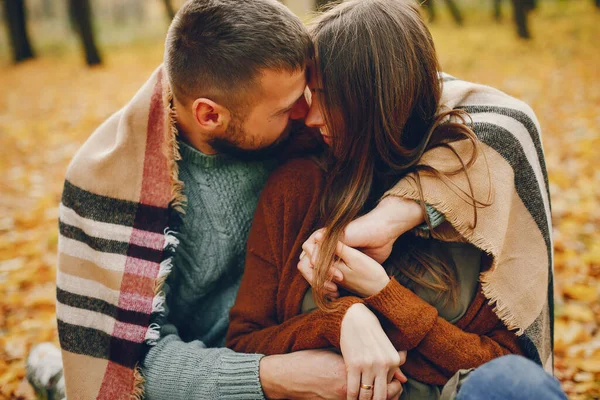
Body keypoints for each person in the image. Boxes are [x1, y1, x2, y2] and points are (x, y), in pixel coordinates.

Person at [53, 0, 419, 399]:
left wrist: (396, 214)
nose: (308, 114)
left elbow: (476, 115)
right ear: (210, 115)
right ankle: (52, 377)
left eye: (308, 92)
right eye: (286, 108)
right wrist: (275, 377)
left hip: (309, 333)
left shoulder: (294, 109)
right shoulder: (109, 184)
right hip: (216, 376)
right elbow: (126, 368)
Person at [226, 1, 563, 399]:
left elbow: (505, 366)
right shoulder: (297, 185)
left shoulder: (474, 188)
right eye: (308, 95)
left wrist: (383, 294)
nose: (311, 117)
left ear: (376, 99)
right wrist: (339, 321)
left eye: (326, 97)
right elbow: (243, 343)